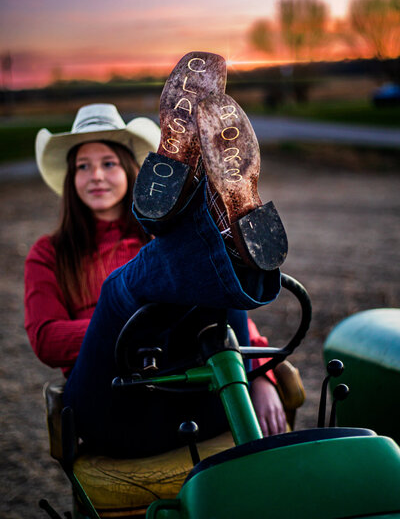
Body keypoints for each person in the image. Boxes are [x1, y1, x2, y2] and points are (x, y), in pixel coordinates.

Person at [25, 51, 287, 458]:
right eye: (83, 166)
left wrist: (261, 379)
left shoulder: (149, 242)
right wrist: (124, 327)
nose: (95, 175)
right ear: (71, 178)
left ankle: (211, 216)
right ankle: (210, 216)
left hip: (196, 402)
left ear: (131, 171)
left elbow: (234, 328)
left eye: (108, 163)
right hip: (113, 410)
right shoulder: (49, 252)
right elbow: (46, 340)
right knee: (123, 290)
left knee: (201, 289)